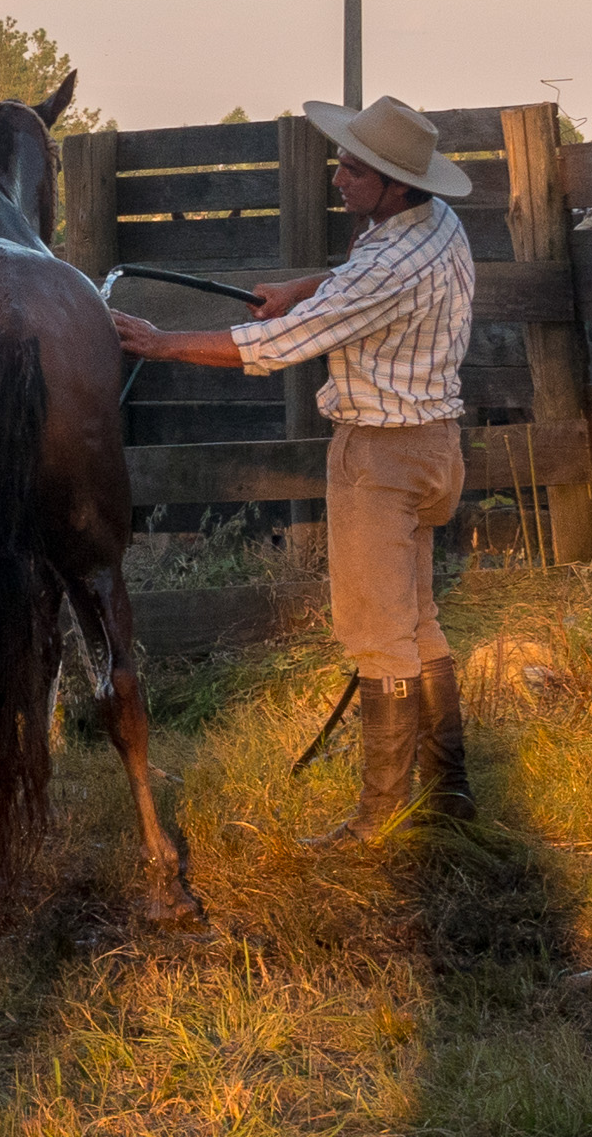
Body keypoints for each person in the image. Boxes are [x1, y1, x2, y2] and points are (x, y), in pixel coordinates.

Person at [109, 96, 477, 843]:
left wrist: (159, 342)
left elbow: (273, 348)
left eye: (353, 170)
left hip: (381, 456)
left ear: (396, 184)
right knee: (417, 621)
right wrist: (299, 290)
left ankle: (380, 818)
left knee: (377, 636)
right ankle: (449, 793)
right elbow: (353, 279)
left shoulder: (385, 267)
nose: (338, 178)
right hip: (436, 447)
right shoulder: (436, 223)